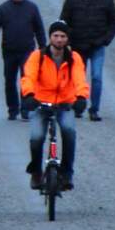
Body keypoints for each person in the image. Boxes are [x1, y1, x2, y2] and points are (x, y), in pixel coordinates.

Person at [21, 20, 89, 190]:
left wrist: (81, 97)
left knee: (69, 131)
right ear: (50, 37)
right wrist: (29, 95)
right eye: (56, 36)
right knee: (36, 137)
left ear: (67, 39)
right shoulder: (38, 56)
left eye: (63, 36)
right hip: (41, 103)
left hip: (65, 103)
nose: (59, 39)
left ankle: (67, 173)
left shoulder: (74, 58)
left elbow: (79, 78)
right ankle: (36, 171)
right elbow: (28, 76)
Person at [59, 0, 115, 122]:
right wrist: (67, 41)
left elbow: (113, 22)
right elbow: (64, 21)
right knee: (78, 77)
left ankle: (94, 109)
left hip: (97, 45)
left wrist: (106, 40)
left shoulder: (106, 0)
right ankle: (78, 105)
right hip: (78, 45)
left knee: (97, 77)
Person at [0, 0, 46, 121]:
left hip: (27, 50)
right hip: (9, 50)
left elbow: (39, 28)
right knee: (9, 80)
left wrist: (43, 47)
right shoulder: (3, 9)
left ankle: (25, 109)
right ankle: (12, 109)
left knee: (26, 80)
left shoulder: (32, 8)